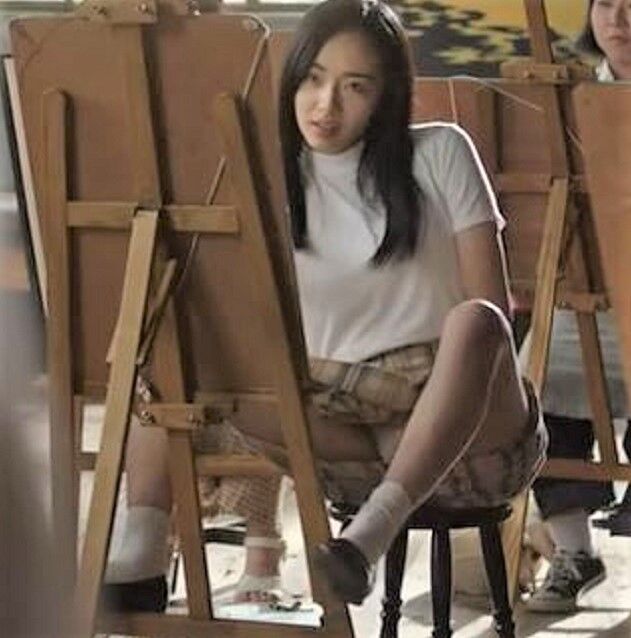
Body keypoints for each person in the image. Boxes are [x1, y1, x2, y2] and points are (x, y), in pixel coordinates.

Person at [104, 0, 548, 610]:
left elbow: (493, 312)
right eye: (313, 79)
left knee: (478, 321)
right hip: (342, 433)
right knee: (170, 320)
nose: (326, 105)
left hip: (469, 432)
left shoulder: (442, 150)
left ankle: (368, 539)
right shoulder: (259, 175)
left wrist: (414, 412)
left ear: (386, 96)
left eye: (355, 86)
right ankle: (142, 547)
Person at [525, 0, 631, 614]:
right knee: (532, 387)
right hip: (584, 297)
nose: (618, 19)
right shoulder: (560, 104)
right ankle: (573, 552)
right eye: (605, 4)